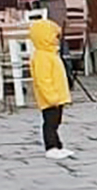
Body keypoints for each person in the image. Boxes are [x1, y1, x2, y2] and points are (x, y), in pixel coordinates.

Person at [29, 19, 72, 159]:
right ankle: (51, 146)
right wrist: (51, 96)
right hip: (50, 98)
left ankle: (58, 145)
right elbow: (43, 80)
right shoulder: (42, 57)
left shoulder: (51, 54)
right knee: (50, 123)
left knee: (56, 121)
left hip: (57, 97)